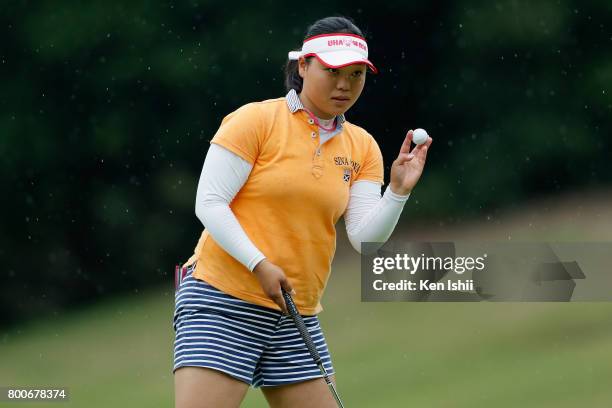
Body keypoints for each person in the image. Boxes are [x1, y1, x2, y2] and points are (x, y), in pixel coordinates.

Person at [173, 15, 433, 408]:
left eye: (356, 74)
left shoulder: (362, 147)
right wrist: (258, 263)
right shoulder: (255, 121)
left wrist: (396, 192)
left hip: (295, 314)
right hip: (223, 300)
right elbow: (208, 202)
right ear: (303, 66)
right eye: (332, 72)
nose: (344, 85)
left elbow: (365, 240)